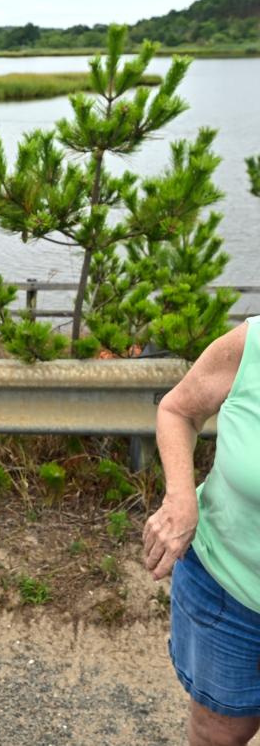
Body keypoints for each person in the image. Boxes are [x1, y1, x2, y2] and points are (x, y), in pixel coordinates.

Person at [143, 318, 260, 745]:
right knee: (218, 732)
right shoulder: (251, 346)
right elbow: (177, 410)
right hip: (227, 587)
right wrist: (180, 498)